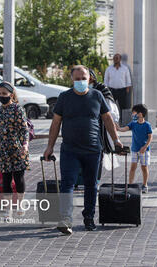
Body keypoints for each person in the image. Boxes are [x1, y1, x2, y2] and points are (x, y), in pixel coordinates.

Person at [44, 65, 123, 235]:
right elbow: (56, 123)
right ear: (72, 80)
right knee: (67, 184)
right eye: (77, 79)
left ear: (90, 79)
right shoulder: (64, 97)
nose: (80, 81)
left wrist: (116, 140)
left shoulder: (97, 96)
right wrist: (49, 147)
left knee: (91, 185)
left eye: (83, 78)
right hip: (69, 150)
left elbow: (108, 119)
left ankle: (89, 218)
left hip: (93, 150)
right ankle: (65, 219)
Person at [0, 82, 29, 219]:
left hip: (18, 148)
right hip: (3, 149)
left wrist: (25, 145)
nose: (1, 96)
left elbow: (24, 129)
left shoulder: (17, 109)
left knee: (19, 178)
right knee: (6, 180)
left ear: (11, 94)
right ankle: (7, 210)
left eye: (4, 93)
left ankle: (20, 205)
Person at [89, 69, 120, 181]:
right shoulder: (76, 91)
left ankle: (95, 181)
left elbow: (110, 112)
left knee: (97, 155)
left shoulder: (102, 90)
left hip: (99, 128)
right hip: (83, 130)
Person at [116, 104, 153, 193]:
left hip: (144, 151)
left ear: (140, 113)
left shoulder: (147, 125)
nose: (133, 114)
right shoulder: (133, 124)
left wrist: (145, 147)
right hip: (134, 150)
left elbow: (150, 137)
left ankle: (145, 185)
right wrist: (118, 128)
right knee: (133, 167)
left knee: (144, 167)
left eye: (134, 112)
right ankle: (130, 185)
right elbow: (124, 129)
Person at [104, 53, 132, 122]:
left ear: (120, 59)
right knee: (111, 106)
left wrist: (127, 89)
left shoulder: (125, 68)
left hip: (122, 90)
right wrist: (106, 89)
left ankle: (122, 121)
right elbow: (106, 80)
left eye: (117, 58)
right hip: (111, 90)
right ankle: (112, 121)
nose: (115, 59)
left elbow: (128, 79)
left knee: (123, 106)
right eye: (114, 58)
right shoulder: (109, 68)